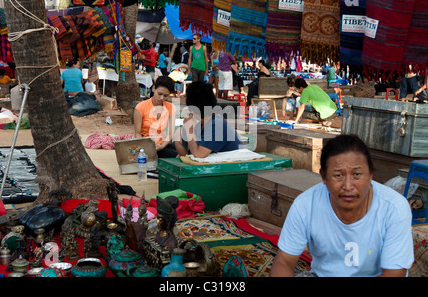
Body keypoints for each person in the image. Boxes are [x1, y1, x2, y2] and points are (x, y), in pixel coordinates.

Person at [270, 134, 414, 277]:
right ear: (324, 177)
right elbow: (284, 261)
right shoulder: (305, 205)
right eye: (338, 175)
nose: (348, 186)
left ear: (370, 175)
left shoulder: (394, 208)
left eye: (357, 174)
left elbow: (394, 274)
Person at [174, 82, 241, 158]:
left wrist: (190, 130)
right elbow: (190, 153)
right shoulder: (202, 124)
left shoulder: (216, 124)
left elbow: (198, 155)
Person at [134, 76, 178, 158]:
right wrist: (146, 148)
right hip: (146, 146)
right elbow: (137, 133)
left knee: (184, 152)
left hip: (163, 144)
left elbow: (170, 133)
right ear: (154, 89)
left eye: (166, 96)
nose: (162, 98)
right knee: (176, 155)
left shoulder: (171, 107)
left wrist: (162, 145)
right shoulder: (140, 107)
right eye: (160, 94)